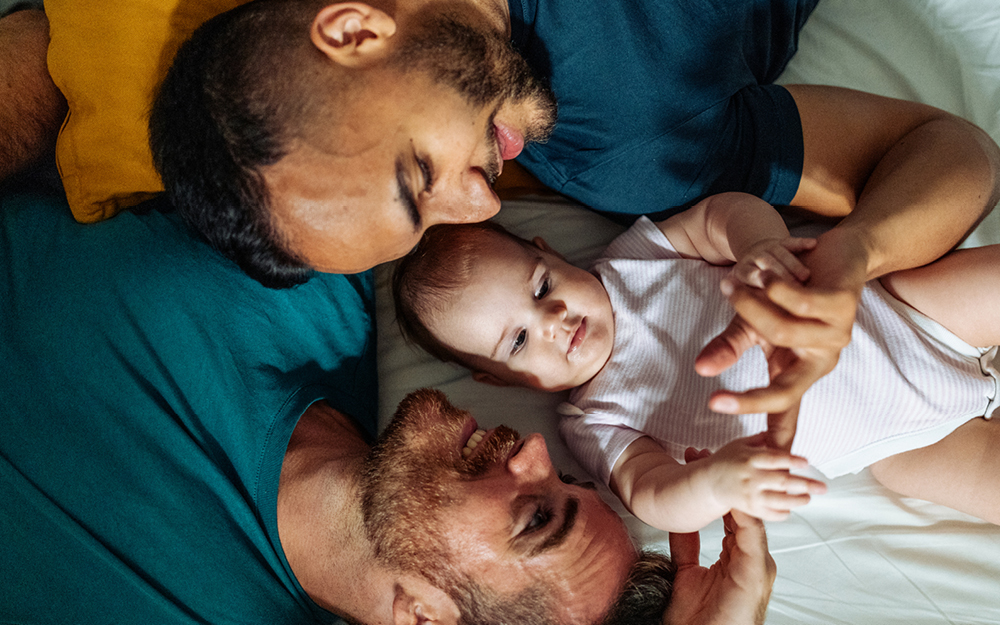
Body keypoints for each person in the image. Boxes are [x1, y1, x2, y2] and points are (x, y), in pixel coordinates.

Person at [3, 1, 1000, 415]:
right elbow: (944, 151)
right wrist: (853, 259)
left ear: (352, 30)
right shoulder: (622, 153)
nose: (479, 195)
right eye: (432, 219)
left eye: (415, 176)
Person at [390, 192, 1000, 532]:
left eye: (542, 286)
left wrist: (756, 245)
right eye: (518, 343)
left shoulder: (634, 261)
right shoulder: (594, 422)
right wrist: (711, 484)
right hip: (899, 442)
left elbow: (719, 216)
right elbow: (651, 492)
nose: (552, 322)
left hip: (901, 316)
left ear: (550, 252)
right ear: (495, 379)